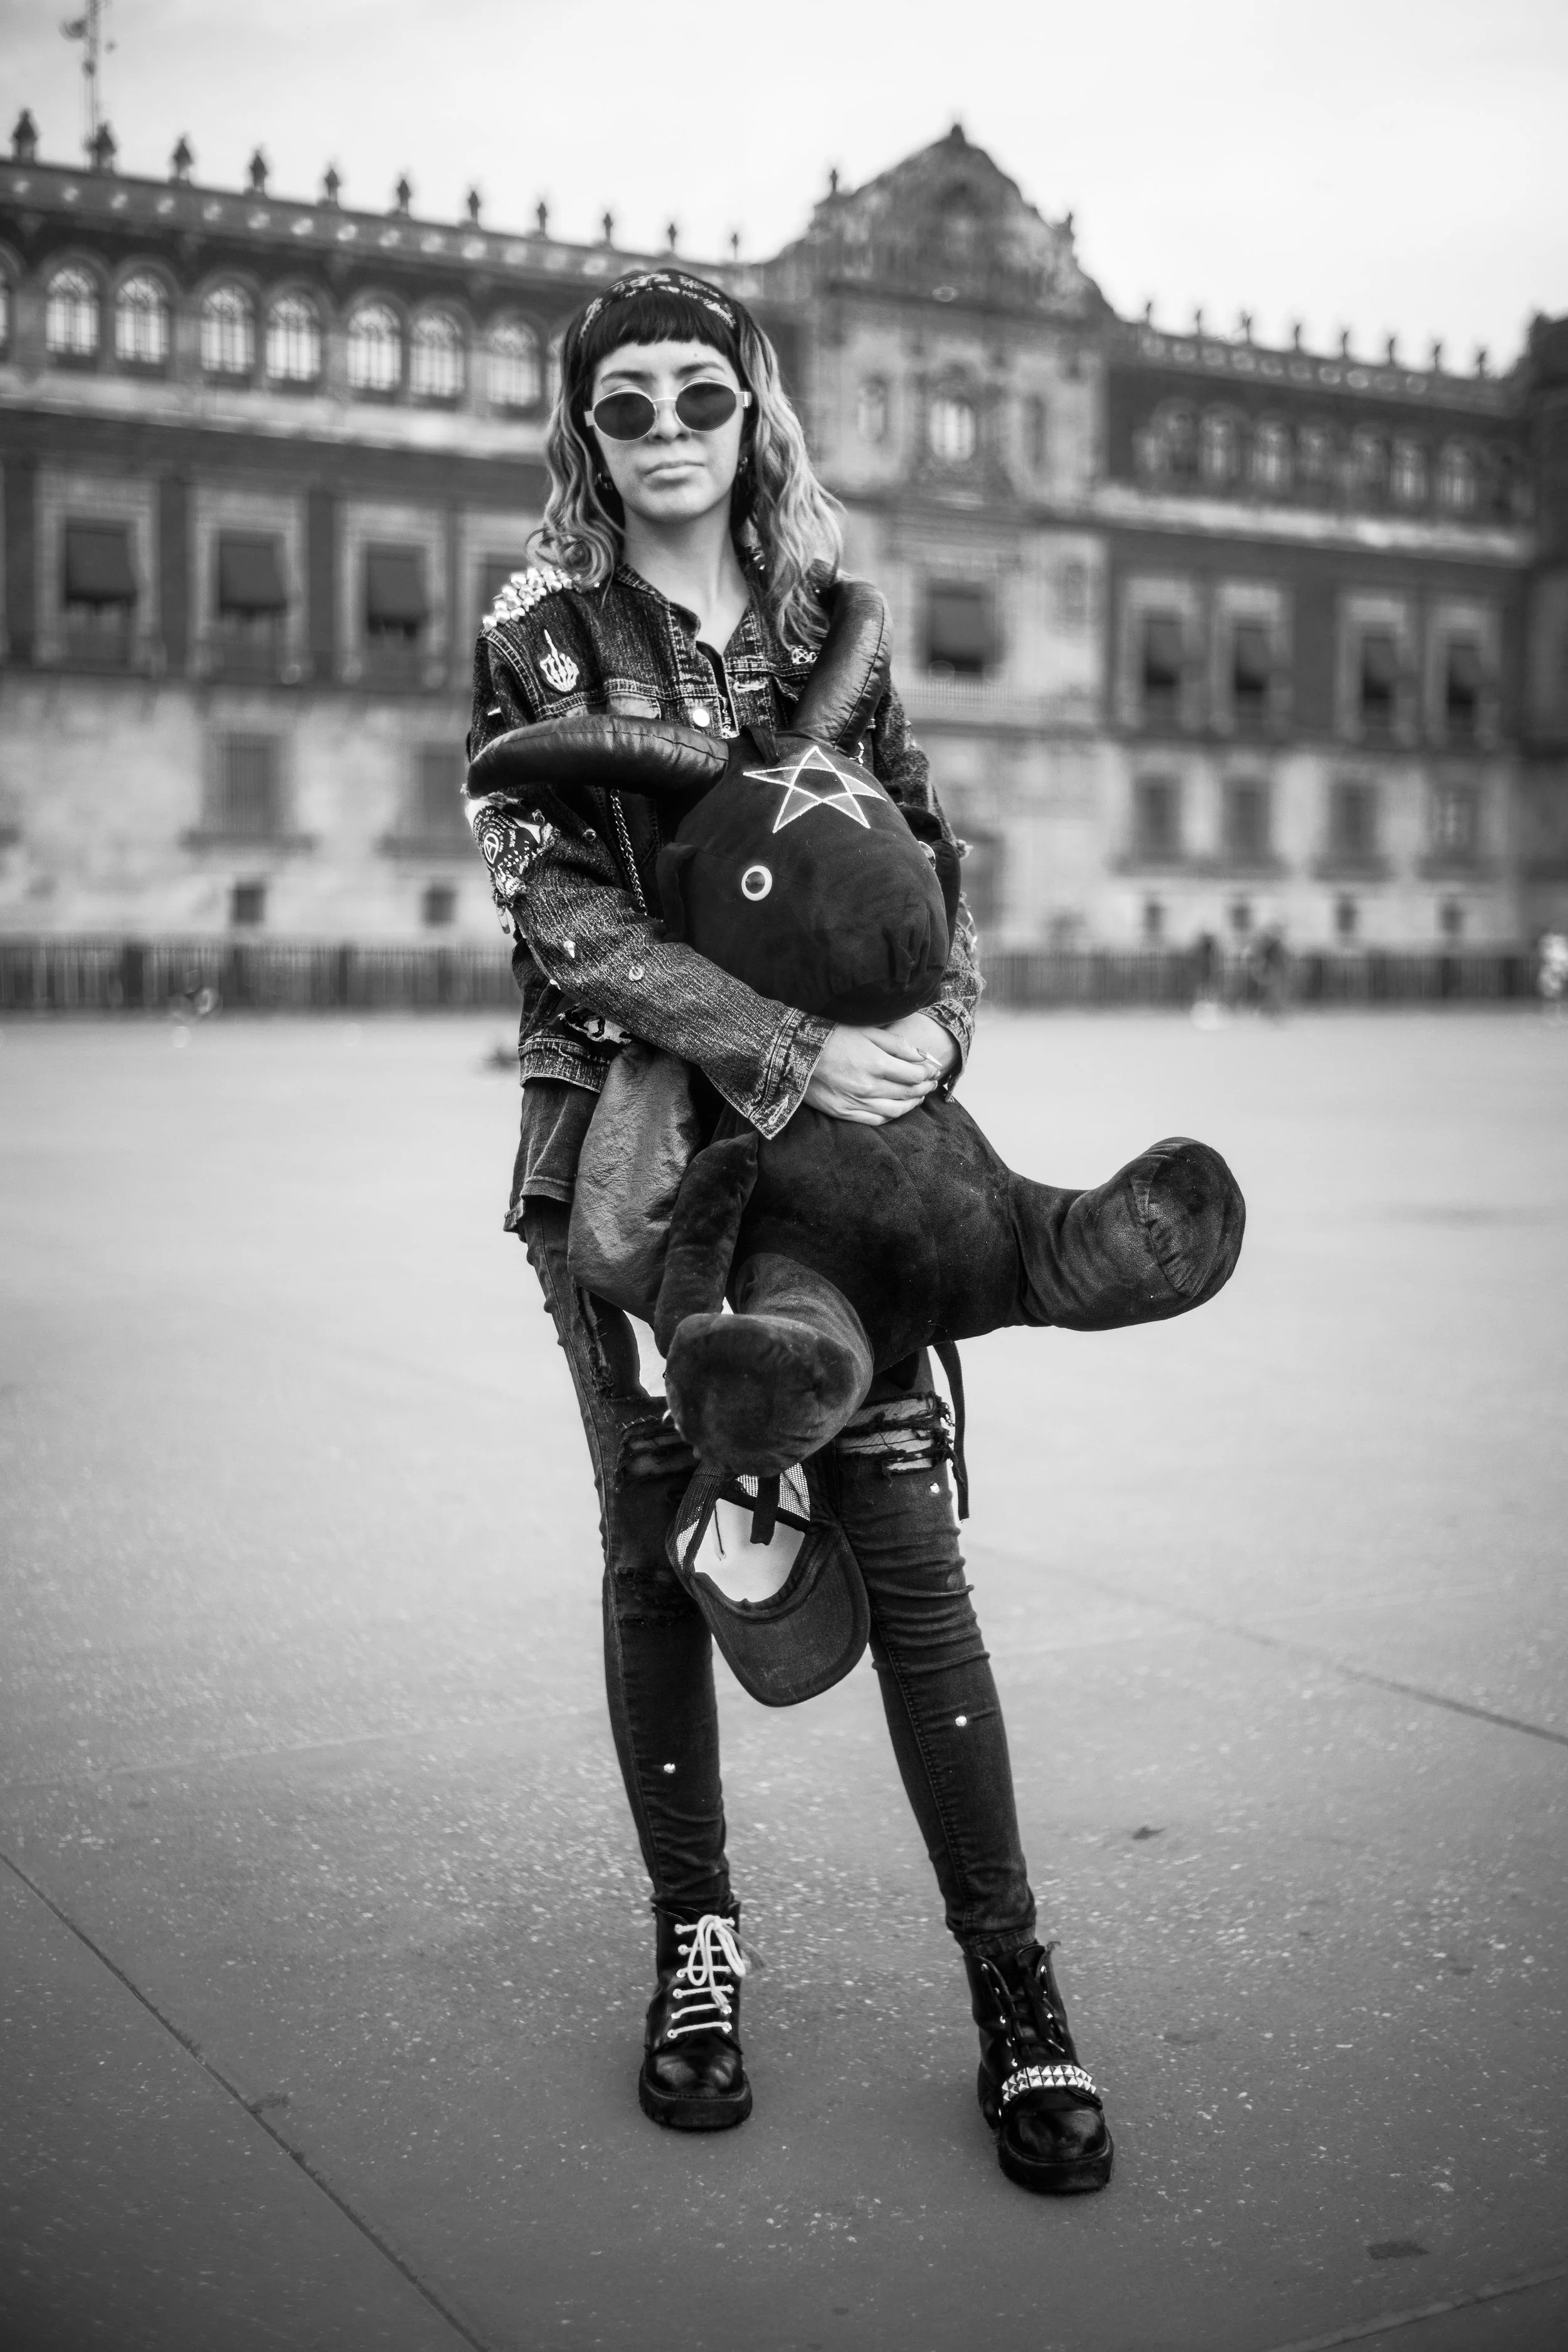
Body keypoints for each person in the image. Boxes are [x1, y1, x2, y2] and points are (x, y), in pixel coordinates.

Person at [464, 270, 1113, 2196]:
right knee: (664, 1545)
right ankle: (695, 1947)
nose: (666, 431)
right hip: (635, 1170)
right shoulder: (539, 636)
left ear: (759, 413)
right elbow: (557, 912)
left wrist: (932, 1027)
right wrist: (789, 1042)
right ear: (582, 430)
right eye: (627, 404)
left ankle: (1015, 1986)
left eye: (700, 397)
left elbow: (920, 847)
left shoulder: (840, 623)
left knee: (910, 1544)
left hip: (853, 1176)